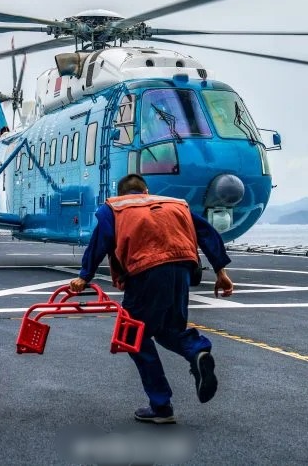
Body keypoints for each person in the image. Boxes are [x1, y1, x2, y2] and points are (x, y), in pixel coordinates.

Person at [69, 173, 235, 425]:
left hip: (146, 271)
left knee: (132, 335)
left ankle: (161, 405)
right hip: (182, 269)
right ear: (146, 191)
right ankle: (197, 350)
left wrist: (84, 276)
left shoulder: (114, 208)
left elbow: (99, 242)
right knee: (169, 330)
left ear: (121, 193)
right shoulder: (175, 204)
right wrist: (221, 271)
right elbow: (207, 233)